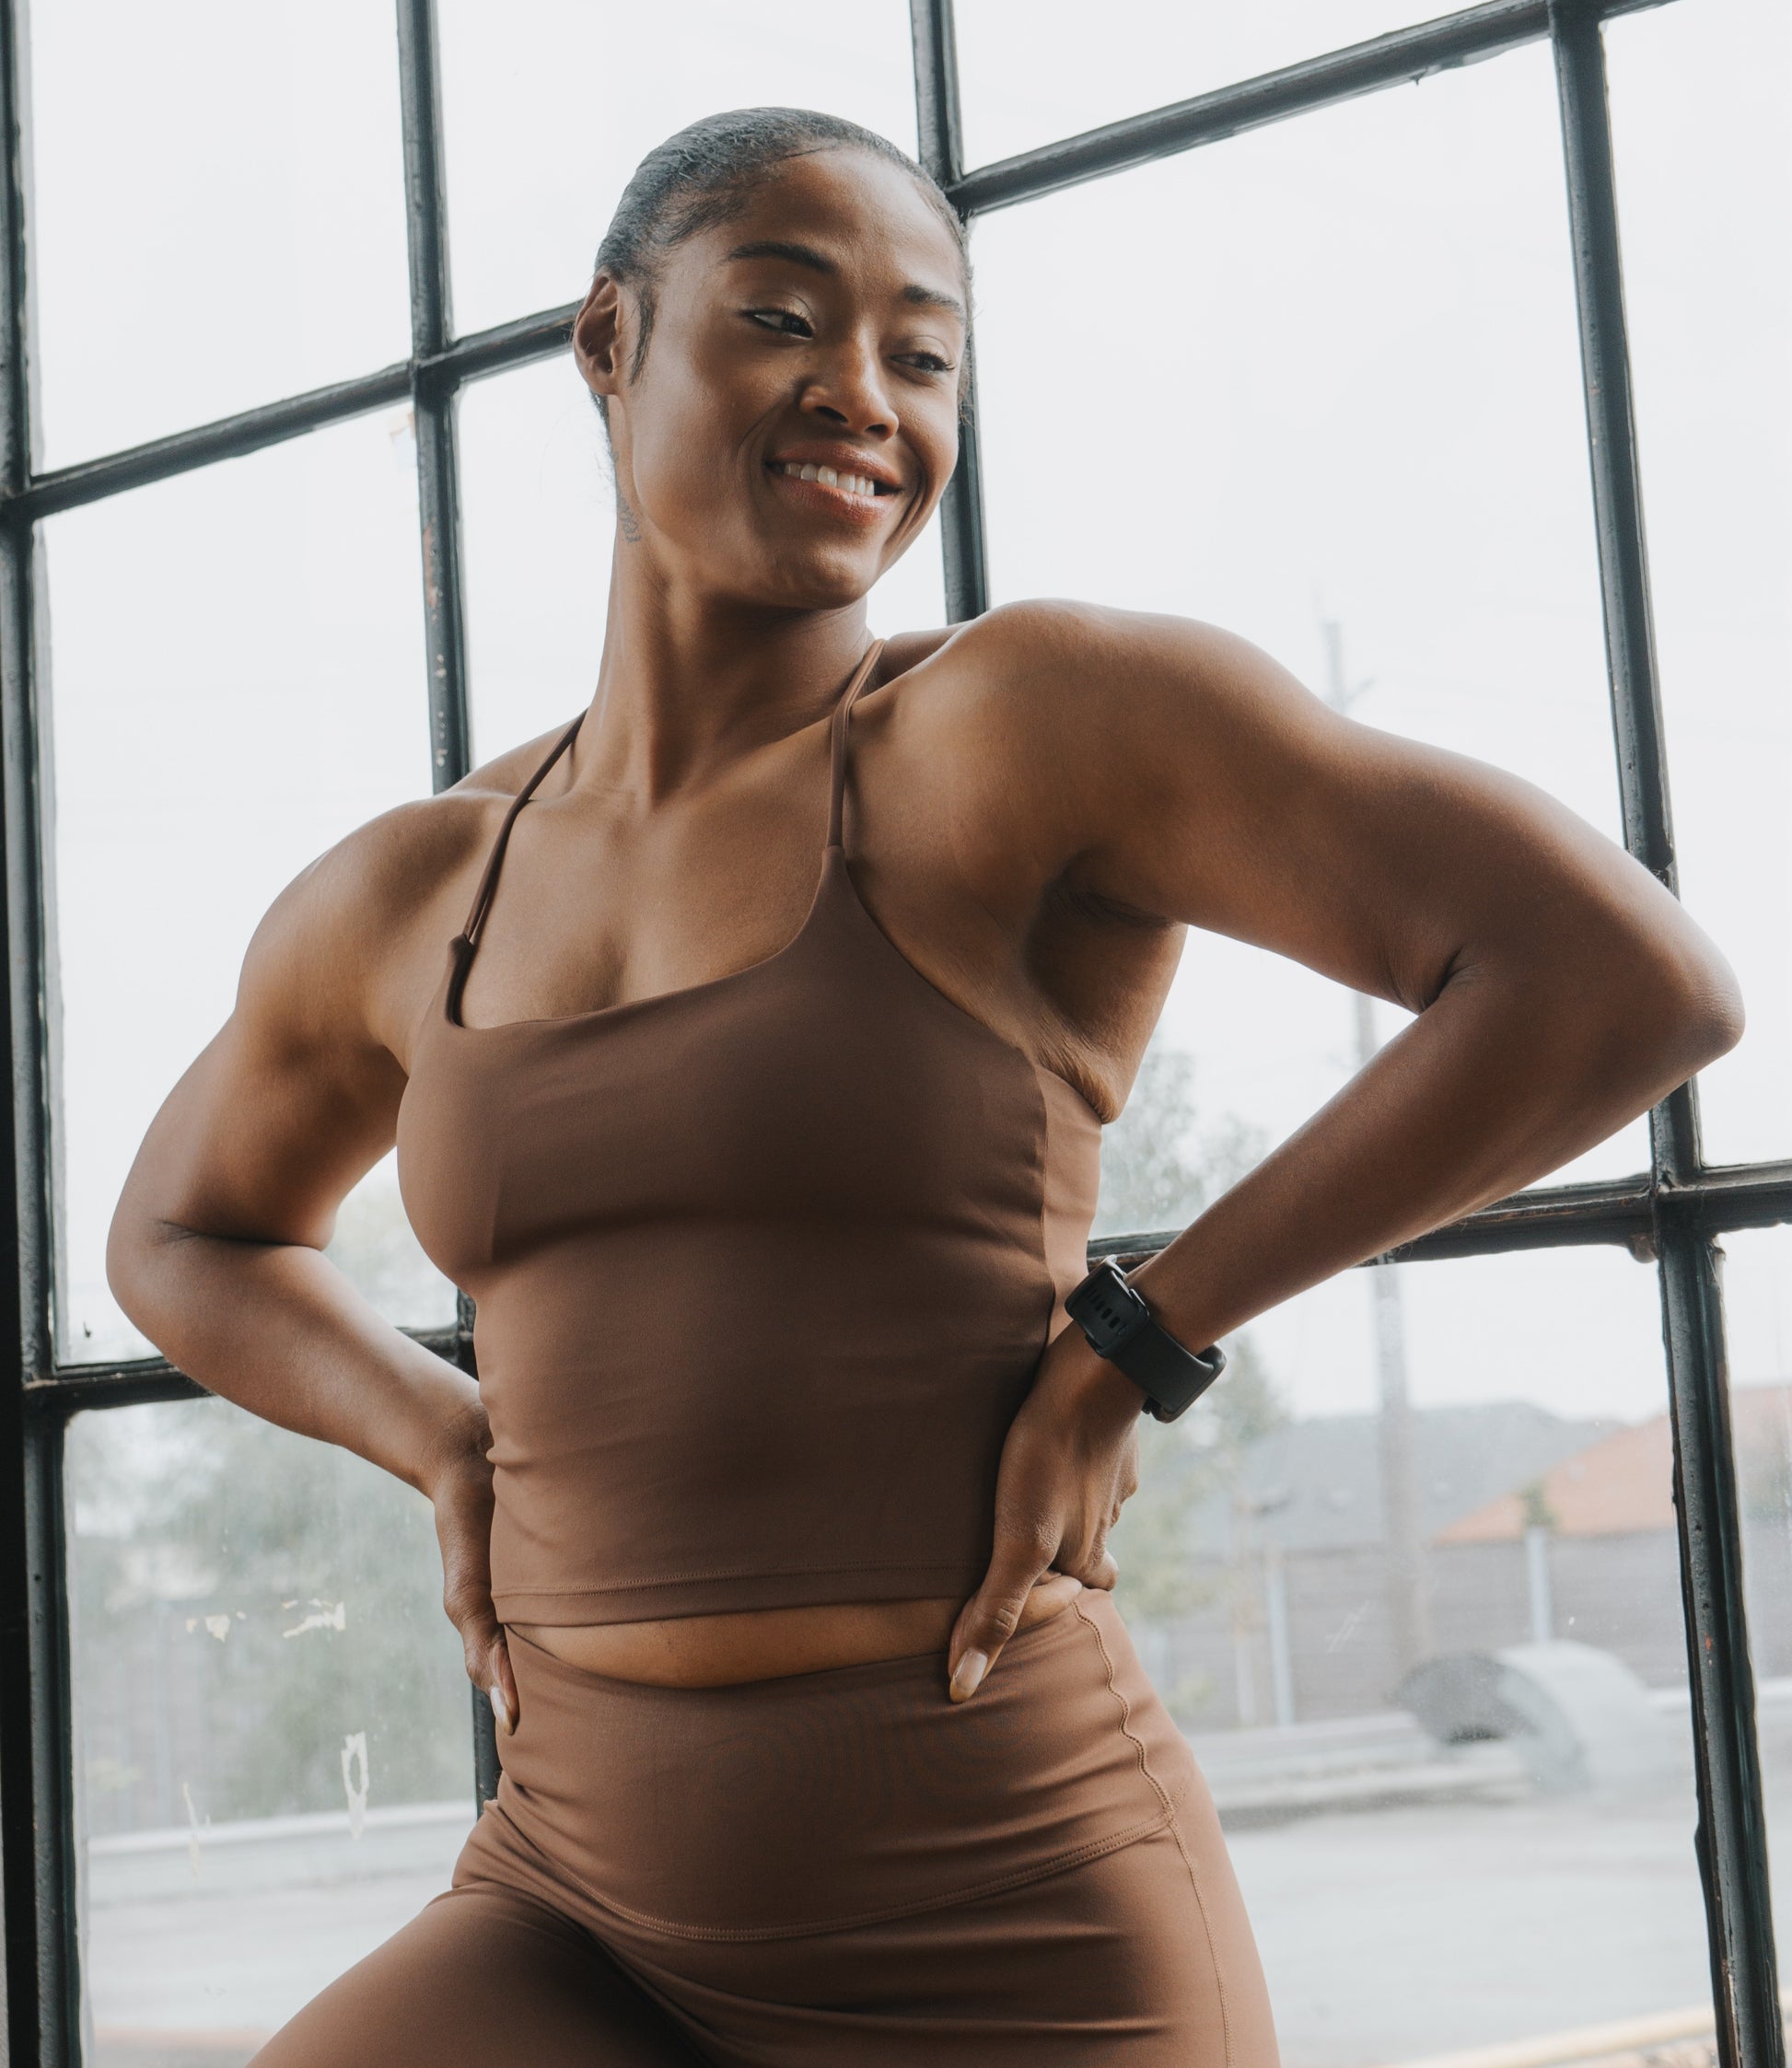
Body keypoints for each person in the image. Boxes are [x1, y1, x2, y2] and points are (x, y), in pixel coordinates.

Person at [108, 107, 1741, 2066]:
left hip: (1007, 1901)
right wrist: (442, 1436)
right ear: (609, 343)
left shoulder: (1021, 727)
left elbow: (1617, 979)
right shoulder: (412, 886)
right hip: (577, 1892)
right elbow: (183, 1232)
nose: (860, 393)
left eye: (923, 350)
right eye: (784, 316)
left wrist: (1139, 1334)